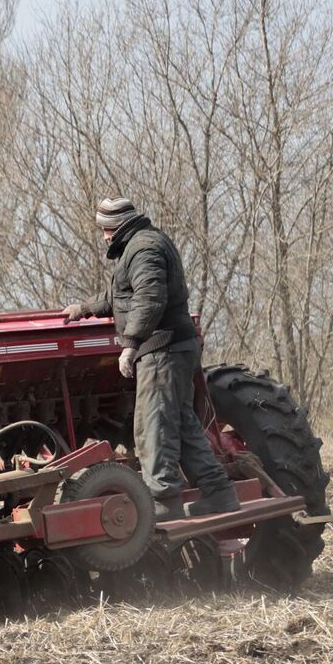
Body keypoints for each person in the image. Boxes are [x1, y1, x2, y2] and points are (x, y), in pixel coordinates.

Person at [64, 197, 240, 521]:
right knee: (184, 425)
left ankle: (163, 504)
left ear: (116, 227)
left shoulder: (142, 249)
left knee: (152, 426)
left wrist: (130, 344)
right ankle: (220, 495)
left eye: (105, 229)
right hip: (175, 349)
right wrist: (85, 308)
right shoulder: (144, 243)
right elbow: (123, 295)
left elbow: (149, 298)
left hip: (162, 352)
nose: (103, 237)